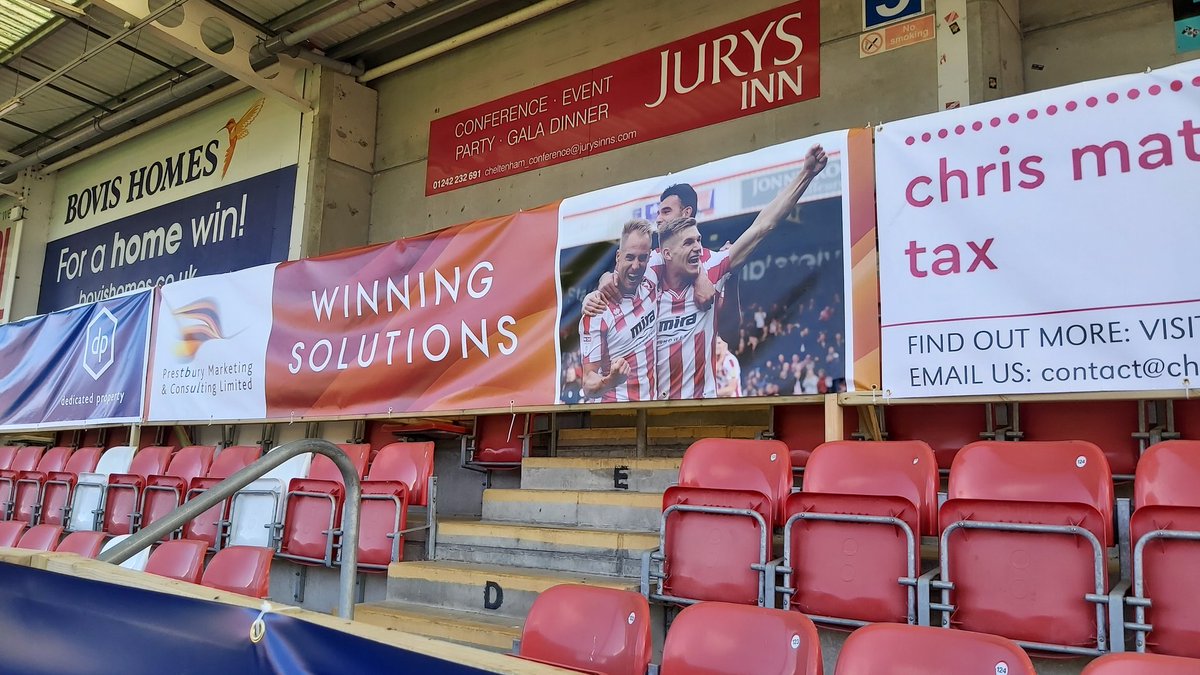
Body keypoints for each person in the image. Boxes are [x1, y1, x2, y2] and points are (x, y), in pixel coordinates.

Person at [600, 144, 828, 399]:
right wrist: (605, 279)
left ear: (687, 213)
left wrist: (806, 174)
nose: (659, 219)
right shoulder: (651, 264)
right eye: (658, 213)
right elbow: (617, 275)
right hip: (653, 404)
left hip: (700, 403)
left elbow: (763, 226)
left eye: (665, 211)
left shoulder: (712, 265)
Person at [577, 219, 659, 402]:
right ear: (618, 257)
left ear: (650, 256)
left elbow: (680, 251)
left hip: (652, 408)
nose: (636, 266)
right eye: (629, 257)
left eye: (642, 258)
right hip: (615, 417)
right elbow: (588, 384)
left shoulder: (652, 277)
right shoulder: (598, 310)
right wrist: (611, 380)